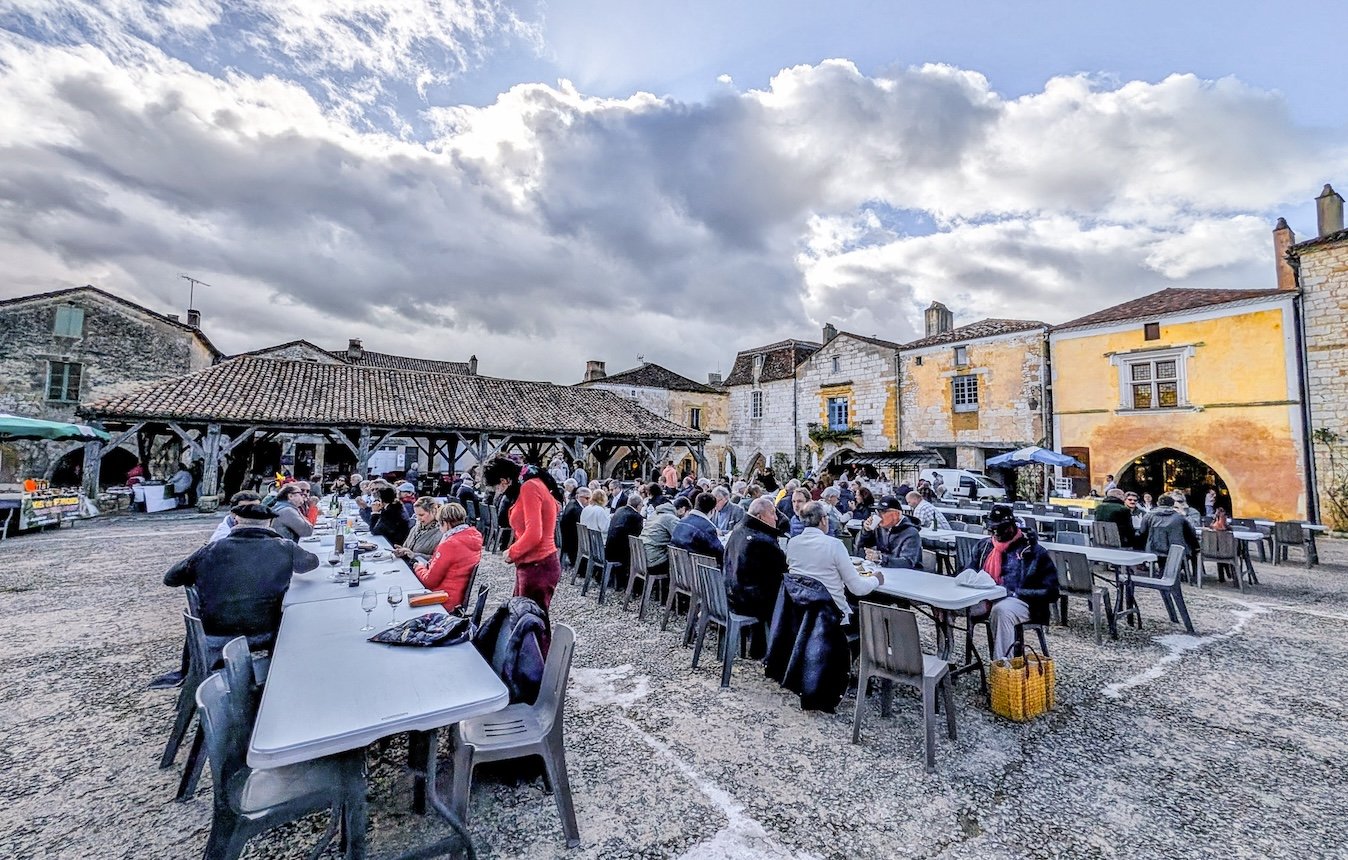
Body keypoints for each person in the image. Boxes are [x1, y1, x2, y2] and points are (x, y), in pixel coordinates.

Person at [164, 500, 319, 642]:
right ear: (270, 523)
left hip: (213, 629)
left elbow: (171, 578)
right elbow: (311, 563)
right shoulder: (284, 547)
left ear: (236, 521)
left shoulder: (211, 549)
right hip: (265, 630)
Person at [971, 504, 1059, 660]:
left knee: (1001, 611)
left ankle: (1003, 668)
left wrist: (1015, 593)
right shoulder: (984, 546)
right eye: (993, 530)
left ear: (1012, 526)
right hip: (985, 596)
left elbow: (1051, 591)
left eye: (1001, 529)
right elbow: (969, 571)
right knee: (946, 607)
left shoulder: (1033, 551)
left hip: (1023, 600)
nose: (997, 534)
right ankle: (944, 661)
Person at [785, 501, 883, 621]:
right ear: (823, 520)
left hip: (803, 613)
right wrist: (876, 579)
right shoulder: (833, 544)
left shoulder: (792, 543)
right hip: (834, 617)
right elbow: (858, 588)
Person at [488, 458, 563, 611]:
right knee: (523, 618)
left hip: (538, 564)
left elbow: (534, 534)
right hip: (533, 563)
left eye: (496, 487)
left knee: (530, 623)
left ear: (504, 481)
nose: (497, 491)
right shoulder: (532, 484)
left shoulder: (529, 487)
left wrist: (512, 552)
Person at [723, 497, 789, 632]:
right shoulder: (762, 541)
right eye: (772, 513)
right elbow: (781, 572)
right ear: (760, 517)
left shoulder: (738, 530)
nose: (776, 518)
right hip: (748, 601)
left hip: (730, 595)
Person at [411, 502, 483, 610]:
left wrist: (419, 567)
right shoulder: (472, 537)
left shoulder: (449, 544)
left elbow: (429, 581)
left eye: (439, 524)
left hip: (443, 599)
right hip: (456, 596)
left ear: (445, 523)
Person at [855, 497, 923, 569]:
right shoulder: (880, 527)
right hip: (884, 570)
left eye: (883, 512)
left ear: (896, 514)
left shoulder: (911, 533)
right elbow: (859, 547)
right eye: (878, 511)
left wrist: (881, 558)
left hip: (908, 575)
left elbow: (908, 562)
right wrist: (866, 530)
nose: (879, 515)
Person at [1139, 495, 1199, 564]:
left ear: (1158, 503)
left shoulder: (1148, 515)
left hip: (1153, 550)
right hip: (1176, 551)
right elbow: (1191, 533)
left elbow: (1142, 532)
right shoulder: (1180, 517)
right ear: (1173, 504)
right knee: (1192, 550)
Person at [606, 491, 647, 586]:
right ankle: (637, 584)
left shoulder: (619, 510)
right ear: (639, 506)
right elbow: (638, 536)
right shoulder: (636, 517)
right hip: (622, 553)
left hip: (610, 548)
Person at [671, 492, 724, 561]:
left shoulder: (681, 522)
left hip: (680, 566)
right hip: (700, 568)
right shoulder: (707, 528)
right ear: (712, 511)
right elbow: (719, 552)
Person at [640, 493, 683, 578]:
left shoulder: (654, 515)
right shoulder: (671, 518)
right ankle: (677, 589)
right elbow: (681, 539)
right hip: (654, 562)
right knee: (682, 561)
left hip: (643, 558)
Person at [394, 497, 443, 565]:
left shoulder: (442, 532)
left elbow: (438, 560)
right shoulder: (415, 527)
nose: (418, 518)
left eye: (421, 515)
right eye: (416, 515)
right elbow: (406, 547)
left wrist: (414, 555)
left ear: (433, 511)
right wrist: (402, 551)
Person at [559, 486, 591, 566]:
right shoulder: (577, 509)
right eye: (587, 498)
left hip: (566, 538)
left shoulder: (571, 503)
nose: (588, 501)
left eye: (589, 498)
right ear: (578, 497)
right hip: (573, 542)